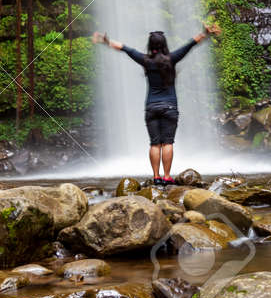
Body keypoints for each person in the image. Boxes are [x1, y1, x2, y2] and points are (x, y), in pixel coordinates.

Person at [92, 23, 220, 182]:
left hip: (151, 107)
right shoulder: (172, 59)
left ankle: (156, 176)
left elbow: (126, 49)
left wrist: (107, 42)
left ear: (150, 45)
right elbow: (190, 45)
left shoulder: (145, 60)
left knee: (154, 144)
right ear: (164, 44)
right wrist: (205, 34)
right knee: (167, 142)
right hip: (170, 107)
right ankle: (167, 177)